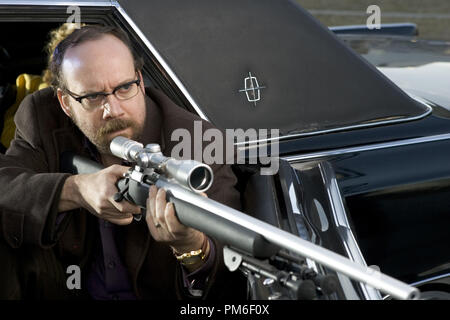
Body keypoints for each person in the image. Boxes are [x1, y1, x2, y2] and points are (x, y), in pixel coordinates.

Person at [0, 24, 246, 300]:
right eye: (93, 96)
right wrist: (76, 189)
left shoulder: (197, 141)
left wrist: (191, 246)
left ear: (140, 82)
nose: (113, 110)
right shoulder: (41, 115)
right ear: (66, 103)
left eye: (124, 87)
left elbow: (231, 275)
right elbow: (5, 184)